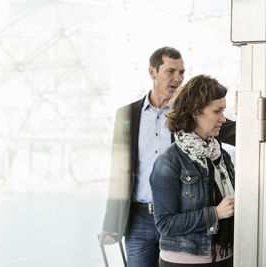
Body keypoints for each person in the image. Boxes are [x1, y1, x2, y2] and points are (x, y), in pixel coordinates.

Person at [98, 47, 236, 267]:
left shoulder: (192, 114)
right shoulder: (127, 114)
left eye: (181, 72)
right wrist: (111, 223)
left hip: (186, 215)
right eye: (171, 71)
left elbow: (238, 132)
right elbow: (119, 170)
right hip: (139, 217)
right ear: (152, 72)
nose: (178, 78)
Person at [149, 74, 235, 267]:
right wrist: (216, 213)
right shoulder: (168, 162)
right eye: (217, 111)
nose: (223, 118)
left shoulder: (221, 155)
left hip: (225, 257)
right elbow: (165, 224)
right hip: (185, 262)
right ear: (195, 112)